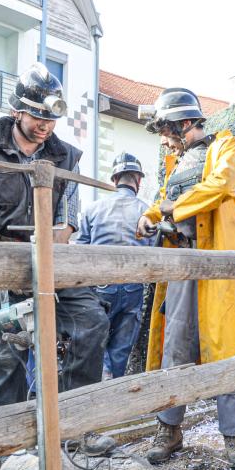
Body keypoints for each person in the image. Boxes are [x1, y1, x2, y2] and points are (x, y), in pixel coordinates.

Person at [0, 63, 112, 454]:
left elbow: (67, 222)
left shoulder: (66, 157)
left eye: (51, 117)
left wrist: (51, 249)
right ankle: (10, 446)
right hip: (0, 260)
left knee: (91, 322)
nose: (45, 125)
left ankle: (75, 426)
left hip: (52, 256)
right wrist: (7, 271)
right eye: (38, 115)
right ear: (17, 111)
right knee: (4, 352)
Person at [136, 88, 235, 468]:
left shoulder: (228, 148)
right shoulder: (176, 165)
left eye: (165, 129)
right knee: (176, 345)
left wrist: (167, 208)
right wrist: (154, 216)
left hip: (218, 265)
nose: (162, 138)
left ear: (184, 123)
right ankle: (169, 430)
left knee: (227, 348)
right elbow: (164, 203)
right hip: (182, 263)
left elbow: (220, 185)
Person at [76, 152, 151, 379]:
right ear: (138, 180)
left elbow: (80, 248)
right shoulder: (147, 211)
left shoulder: (93, 209)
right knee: (119, 351)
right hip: (132, 286)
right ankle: (112, 390)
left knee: (94, 345)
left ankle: (93, 392)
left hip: (100, 287)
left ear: (114, 179)